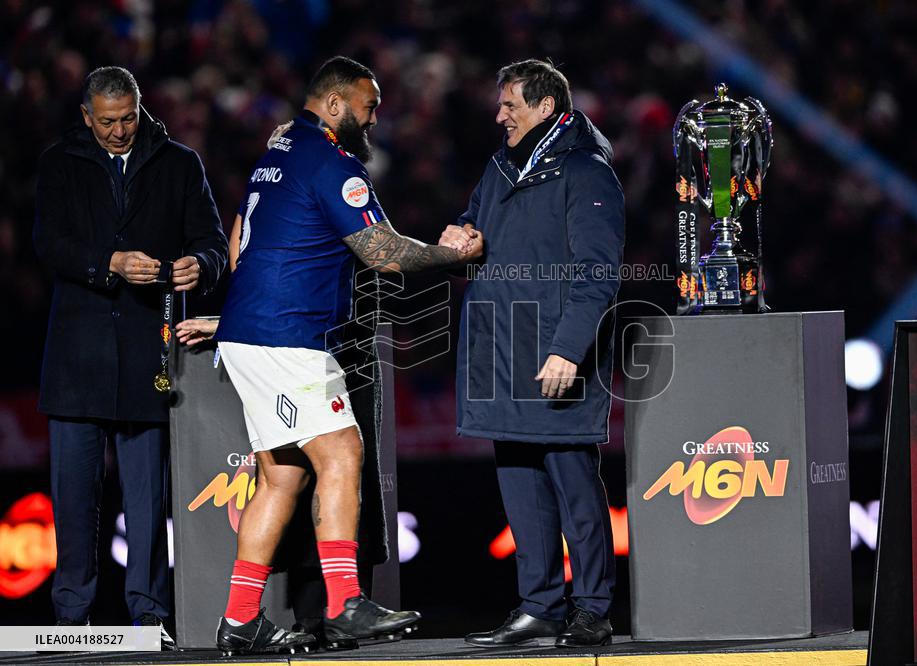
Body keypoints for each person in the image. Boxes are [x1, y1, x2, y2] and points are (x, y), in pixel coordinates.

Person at [205, 56, 481, 656]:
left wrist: (244, 310)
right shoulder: (333, 164)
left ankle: (240, 619)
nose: (374, 116)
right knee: (342, 451)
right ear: (334, 104)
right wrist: (451, 256)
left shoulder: (274, 156)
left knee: (281, 476)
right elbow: (382, 251)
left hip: (251, 332)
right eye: (368, 104)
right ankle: (345, 605)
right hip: (289, 335)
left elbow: (238, 240)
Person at [34, 66, 228, 647]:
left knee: (148, 499)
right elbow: (49, 243)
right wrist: (110, 263)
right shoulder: (58, 163)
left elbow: (213, 241)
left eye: (129, 119)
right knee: (73, 498)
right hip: (78, 359)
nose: (121, 132)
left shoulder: (179, 162)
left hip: (150, 353)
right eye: (109, 122)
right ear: (87, 117)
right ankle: (72, 617)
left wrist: (204, 266)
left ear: (140, 109)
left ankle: (148, 616)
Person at [439, 59, 624, 648]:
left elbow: (598, 273)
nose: (500, 116)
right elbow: (475, 222)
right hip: (501, 350)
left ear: (546, 108)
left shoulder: (586, 171)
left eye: (510, 106)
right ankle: (539, 606)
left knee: (574, 483)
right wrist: (460, 235)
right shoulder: (501, 167)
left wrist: (568, 350)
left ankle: (592, 608)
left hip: (552, 353)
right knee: (520, 486)